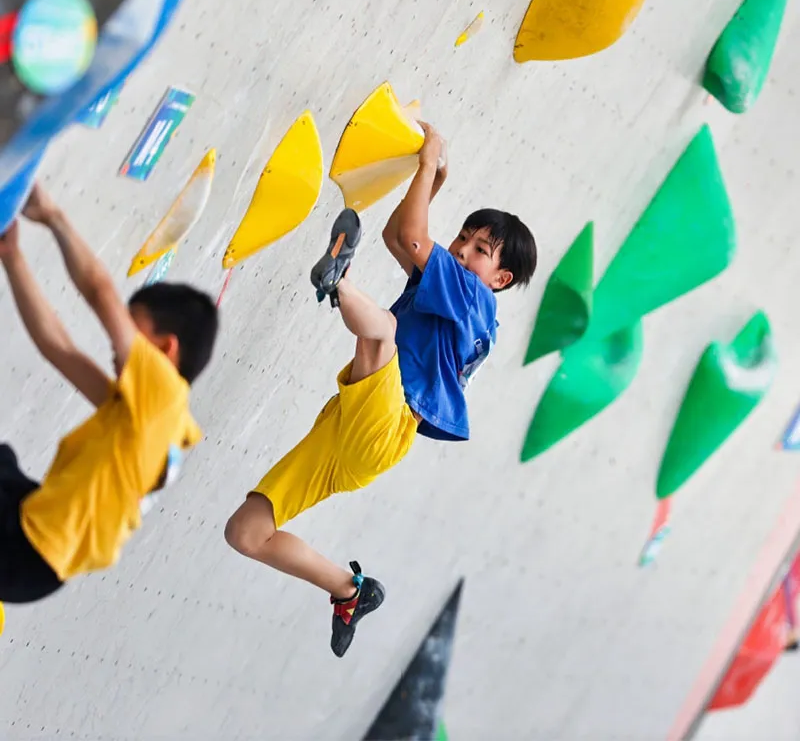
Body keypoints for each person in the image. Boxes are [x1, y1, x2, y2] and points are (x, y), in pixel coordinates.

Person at [225, 122, 538, 657]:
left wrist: (426, 162)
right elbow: (400, 237)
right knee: (246, 533)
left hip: (387, 425)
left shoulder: (475, 300)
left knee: (383, 336)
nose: (462, 250)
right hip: (349, 433)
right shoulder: (456, 292)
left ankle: (339, 281)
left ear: (501, 277)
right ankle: (351, 591)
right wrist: (432, 185)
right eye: (463, 237)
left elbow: (415, 239)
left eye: (480, 249)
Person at [0, 184, 218, 605]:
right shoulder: (147, 421)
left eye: (131, 328)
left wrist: (52, 215)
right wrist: (12, 257)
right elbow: (59, 350)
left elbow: (100, 291)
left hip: (24, 549)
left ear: (165, 348)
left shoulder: (165, 396)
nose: (116, 347)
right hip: (37, 555)